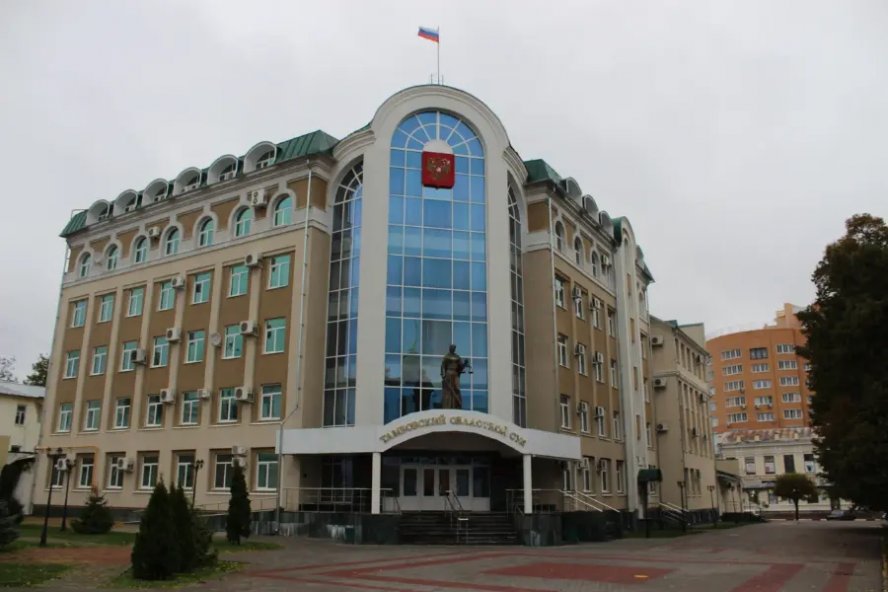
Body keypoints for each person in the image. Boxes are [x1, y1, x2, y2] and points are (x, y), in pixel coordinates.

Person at [440, 344, 469, 409]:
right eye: (451, 348)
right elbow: (443, 366)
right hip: (448, 374)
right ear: (449, 348)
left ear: (454, 349)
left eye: (453, 348)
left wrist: (465, 363)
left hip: (455, 374)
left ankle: (456, 405)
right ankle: (447, 405)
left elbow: (460, 367)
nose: (452, 349)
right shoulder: (446, 356)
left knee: (456, 389)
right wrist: (443, 375)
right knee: (448, 390)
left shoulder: (457, 357)